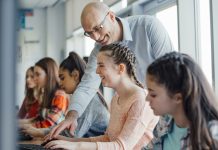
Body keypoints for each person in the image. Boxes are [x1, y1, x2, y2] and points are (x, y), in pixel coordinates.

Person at [49, 2, 173, 138]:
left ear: (112, 16)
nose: (95, 37)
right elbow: (86, 86)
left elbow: (170, 74)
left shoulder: (148, 27)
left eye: (98, 28)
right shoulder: (99, 50)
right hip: (138, 115)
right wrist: (71, 117)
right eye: (89, 33)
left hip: (166, 110)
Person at [44, 43, 158, 150]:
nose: (97, 71)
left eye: (101, 65)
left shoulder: (141, 100)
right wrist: (70, 141)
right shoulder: (117, 97)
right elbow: (108, 138)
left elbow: (121, 146)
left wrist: (76, 146)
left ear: (121, 68)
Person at [21, 52, 109, 138]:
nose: (60, 82)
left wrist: (40, 132)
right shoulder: (79, 99)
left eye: (62, 78)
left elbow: (72, 134)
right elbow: (65, 128)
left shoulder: (90, 100)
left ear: (75, 75)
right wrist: (39, 131)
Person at [143, 52, 218, 149]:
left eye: (153, 95)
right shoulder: (165, 122)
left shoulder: (211, 135)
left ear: (178, 98)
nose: (147, 99)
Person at [19, 57, 69, 129]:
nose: (35, 78)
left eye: (38, 74)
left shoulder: (60, 95)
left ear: (49, 75)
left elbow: (50, 123)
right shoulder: (47, 94)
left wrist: (24, 127)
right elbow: (39, 118)